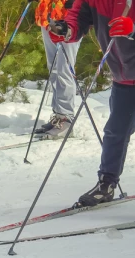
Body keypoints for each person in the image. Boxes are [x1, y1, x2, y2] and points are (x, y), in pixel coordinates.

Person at [48, 0, 135, 206]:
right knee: (116, 132)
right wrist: (65, 30)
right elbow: (77, 19)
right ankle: (106, 184)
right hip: (125, 77)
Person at [34, 0, 83, 139]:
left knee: (64, 69)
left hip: (70, 18)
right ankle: (58, 116)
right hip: (47, 16)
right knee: (54, 68)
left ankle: (66, 119)